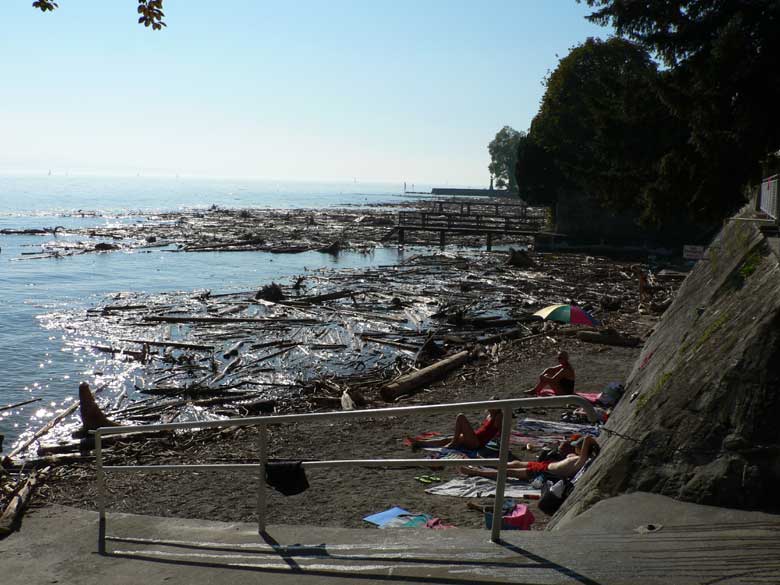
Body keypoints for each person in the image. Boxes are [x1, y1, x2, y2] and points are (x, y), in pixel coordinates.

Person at [460, 436, 598, 480]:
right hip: (544, 465)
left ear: (583, 450)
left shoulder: (581, 461)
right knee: (513, 463)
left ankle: (476, 472)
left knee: (509, 472)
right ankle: (483, 463)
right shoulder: (577, 457)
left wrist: (590, 444)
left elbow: (587, 439)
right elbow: (570, 454)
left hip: (544, 473)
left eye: (577, 447)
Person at [409, 405, 503, 451]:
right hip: (475, 437)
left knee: (461, 417)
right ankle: (421, 443)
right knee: (446, 439)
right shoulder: (490, 415)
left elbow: (502, 431)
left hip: (476, 443)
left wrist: (501, 445)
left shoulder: (498, 416)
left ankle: (453, 442)